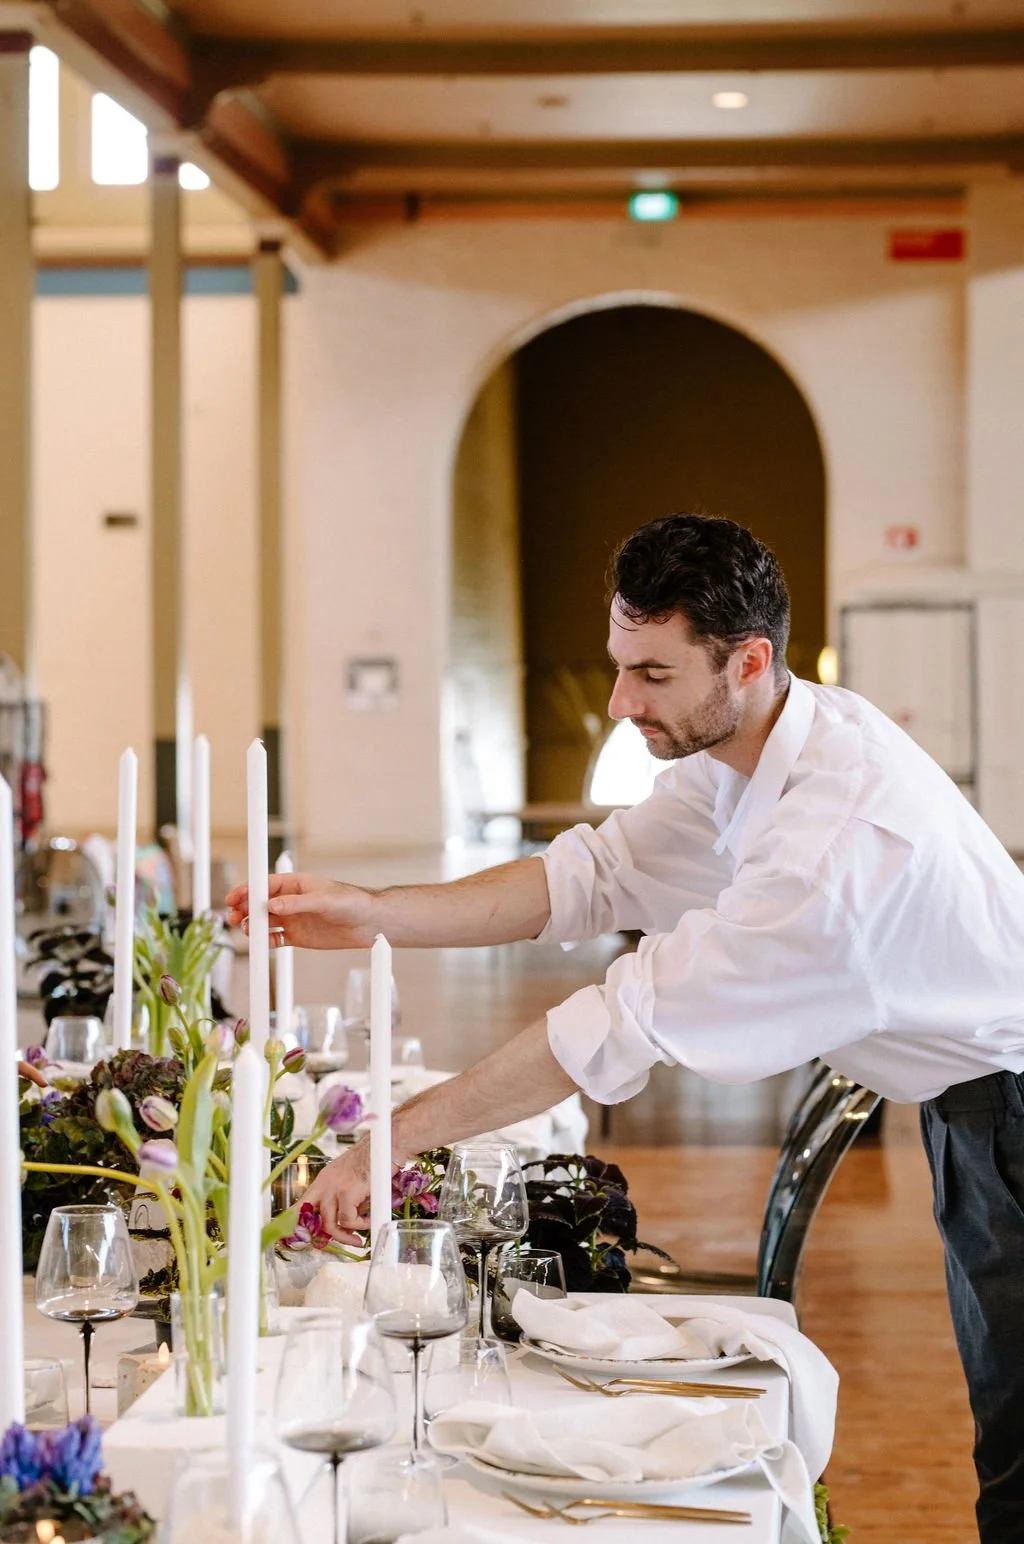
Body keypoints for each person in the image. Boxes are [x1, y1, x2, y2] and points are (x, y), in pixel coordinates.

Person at [229, 513, 1024, 1543]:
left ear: (746, 660)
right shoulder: (761, 741)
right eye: (619, 664)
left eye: (650, 673)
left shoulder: (833, 847)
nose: (619, 701)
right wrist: (377, 910)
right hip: (976, 1108)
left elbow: (616, 1023)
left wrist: (392, 1139)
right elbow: (592, 875)